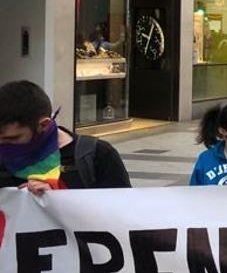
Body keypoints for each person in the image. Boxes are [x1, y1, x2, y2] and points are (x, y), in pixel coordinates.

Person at [0, 80, 130, 192]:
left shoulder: (96, 155)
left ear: (44, 125)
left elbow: (120, 211)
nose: (2, 145)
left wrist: (58, 198)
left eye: (12, 138)